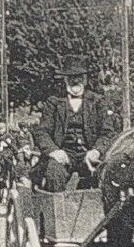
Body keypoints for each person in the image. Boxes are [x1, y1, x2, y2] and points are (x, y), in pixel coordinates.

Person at [32, 56, 121, 192]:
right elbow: (42, 132)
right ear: (65, 80)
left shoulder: (98, 102)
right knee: (54, 172)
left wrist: (97, 151)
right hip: (64, 153)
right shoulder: (54, 102)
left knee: (107, 173)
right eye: (71, 78)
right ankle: (59, 210)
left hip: (89, 153)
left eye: (79, 77)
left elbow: (108, 133)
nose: (75, 81)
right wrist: (54, 151)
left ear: (85, 79)